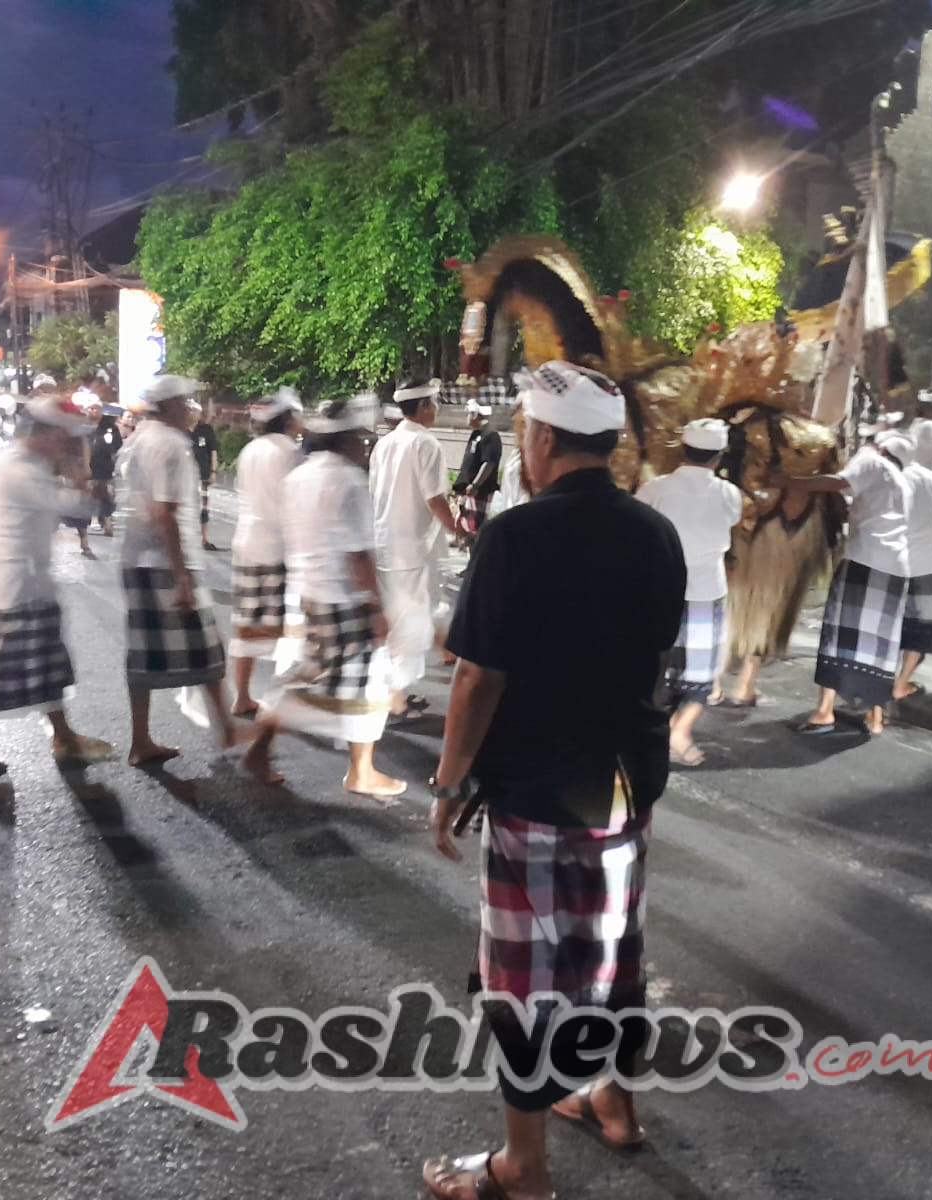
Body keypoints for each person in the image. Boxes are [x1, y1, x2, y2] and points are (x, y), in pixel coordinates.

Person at [422, 361, 686, 1200]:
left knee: (526, 981)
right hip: (623, 788)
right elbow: (656, 658)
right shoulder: (655, 533)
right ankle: (614, 1104)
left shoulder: (516, 536)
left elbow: (476, 678)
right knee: (610, 956)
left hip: (538, 790)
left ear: (539, 438)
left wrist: (449, 781)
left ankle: (522, 1170)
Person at [244, 394, 405, 797]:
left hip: (311, 593)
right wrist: (378, 609)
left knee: (313, 678)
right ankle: (359, 771)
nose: (365, 446)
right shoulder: (348, 480)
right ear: (348, 440)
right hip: (344, 598)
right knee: (359, 684)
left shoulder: (301, 475)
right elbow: (358, 555)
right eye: (362, 440)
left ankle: (272, 749)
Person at [0, 393, 116, 784]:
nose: (68, 445)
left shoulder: (17, 463)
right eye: (66, 438)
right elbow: (82, 507)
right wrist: (81, 471)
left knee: (47, 668)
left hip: (23, 584)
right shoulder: (20, 471)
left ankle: (63, 737)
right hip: (13, 589)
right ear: (46, 435)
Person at [119, 375, 244, 766]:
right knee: (207, 652)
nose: (192, 408)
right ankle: (225, 729)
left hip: (138, 561)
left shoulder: (140, 437)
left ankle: (147, 739)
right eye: (187, 401)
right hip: (164, 564)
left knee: (147, 656)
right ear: (170, 405)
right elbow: (164, 513)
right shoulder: (170, 443)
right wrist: (181, 576)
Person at [773, 429, 910, 736]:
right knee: (879, 644)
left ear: (881, 447)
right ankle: (875, 718)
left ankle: (824, 712)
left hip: (864, 562)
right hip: (896, 568)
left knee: (839, 634)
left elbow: (837, 483)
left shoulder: (873, 462)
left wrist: (787, 482)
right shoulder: (902, 481)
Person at [635, 417, 742, 766]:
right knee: (700, 670)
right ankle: (680, 731)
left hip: (658, 591)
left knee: (652, 664)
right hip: (706, 592)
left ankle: (653, 731)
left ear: (683, 449)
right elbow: (732, 522)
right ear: (719, 457)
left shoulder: (655, 488)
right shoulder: (729, 493)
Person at [369, 378, 461, 721]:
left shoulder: (385, 443)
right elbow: (434, 497)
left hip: (385, 544)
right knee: (410, 625)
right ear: (422, 407)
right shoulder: (425, 444)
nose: (436, 410)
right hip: (412, 549)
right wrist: (457, 532)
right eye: (434, 403)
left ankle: (398, 691)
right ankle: (396, 700)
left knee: (397, 622)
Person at [228, 386, 305, 718]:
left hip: (247, 543)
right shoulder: (290, 452)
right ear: (287, 419)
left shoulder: (251, 450)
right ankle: (289, 697)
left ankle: (242, 696)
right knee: (292, 626)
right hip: (279, 548)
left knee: (247, 624)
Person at [892, 435, 932, 701]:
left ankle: (878, 686)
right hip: (926, 565)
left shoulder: (890, 479)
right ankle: (901, 684)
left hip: (891, 564)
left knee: (887, 627)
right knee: (921, 632)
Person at [56, 389, 97, 559]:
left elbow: (85, 446)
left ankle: (84, 542)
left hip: (76, 471)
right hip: (63, 470)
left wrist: (86, 468)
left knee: (80, 508)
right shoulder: (61, 426)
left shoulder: (83, 428)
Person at [452, 400, 502, 539]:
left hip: (479, 491)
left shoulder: (491, 435)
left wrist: (475, 484)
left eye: (469, 413)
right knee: (464, 525)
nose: (467, 417)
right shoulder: (476, 434)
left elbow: (489, 462)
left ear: (475, 414)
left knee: (476, 528)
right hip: (466, 490)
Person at [86, 399, 121, 537]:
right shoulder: (82, 425)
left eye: (97, 408)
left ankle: (107, 521)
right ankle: (93, 519)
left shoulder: (110, 426)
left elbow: (117, 443)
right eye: (91, 408)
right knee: (90, 494)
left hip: (105, 465)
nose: (94, 411)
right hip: (87, 466)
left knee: (107, 494)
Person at [190, 412, 221, 551]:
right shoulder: (181, 431)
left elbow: (213, 451)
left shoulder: (206, 430)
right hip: (186, 478)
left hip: (203, 476)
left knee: (203, 509)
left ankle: (204, 539)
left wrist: (213, 471)